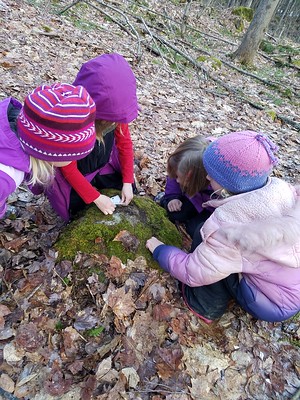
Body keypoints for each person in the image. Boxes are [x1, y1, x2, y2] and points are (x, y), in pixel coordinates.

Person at [146, 130, 300, 324]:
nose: (207, 176)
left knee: (204, 236)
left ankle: (204, 305)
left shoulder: (228, 227)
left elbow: (194, 272)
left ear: (229, 182)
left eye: (212, 175)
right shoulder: (282, 190)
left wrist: (161, 251)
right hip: (291, 289)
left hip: (269, 303)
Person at [36, 53, 139, 221]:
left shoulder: (116, 114)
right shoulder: (72, 122)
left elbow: (125, 144)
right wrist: (95, 197)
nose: (113, 124)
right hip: (76, 174)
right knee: (77, 211)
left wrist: (127, 181)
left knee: (127, 191)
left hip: (101, 165)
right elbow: (68, 168)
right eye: (107, 122)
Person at [0, 83, 96, 219]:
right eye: (72, 155)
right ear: (49, 153)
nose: (76, 160)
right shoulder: (5, 178)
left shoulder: (18, 125)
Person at [158, 135, 213, 238]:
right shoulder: (185, 158)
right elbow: (173, 178)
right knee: (175, 213)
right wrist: (172, 197)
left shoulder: (219, 181)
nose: (177, 180)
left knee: (195, 230)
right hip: (193, 197)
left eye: (178, 177)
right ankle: (164, 198)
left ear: (190, 176)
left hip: (211, 208)